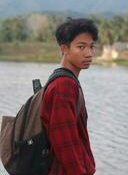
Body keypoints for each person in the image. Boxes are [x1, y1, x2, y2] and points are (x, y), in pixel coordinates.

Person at [40, 18, 98, 175]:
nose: (89, 53)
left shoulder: (64, 80)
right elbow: (65, 143)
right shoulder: (64, 85)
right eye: (81, 47)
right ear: (64, 49)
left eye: (91, 47)